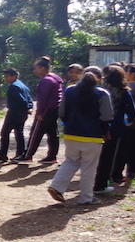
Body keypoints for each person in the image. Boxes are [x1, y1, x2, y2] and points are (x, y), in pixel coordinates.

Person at [47, 68, 113, 205]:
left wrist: (68, 125)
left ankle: (56, 186)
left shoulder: (70, 90)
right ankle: (86, 198)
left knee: (70, 161)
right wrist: (105, 131)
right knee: (89, 167)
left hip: (71, 134)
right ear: (99, 79)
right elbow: (107, 117)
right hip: (93, 136)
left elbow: (62, 112)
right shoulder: (102, 94)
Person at [93, 64, 135, 193]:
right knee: (107, 157)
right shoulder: (124, 91)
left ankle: (87, 184)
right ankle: (100, 185)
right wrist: (129, 122)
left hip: (97, 126)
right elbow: (132, 111)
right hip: (114, 129)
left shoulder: (99, 90)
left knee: (93, 157)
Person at [14, 56, 62, 163]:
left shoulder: (46, 81)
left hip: (46, 111)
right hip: (55, 110)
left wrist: (40, 113)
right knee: (53, 133)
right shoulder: (55, 78)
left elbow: (43, 99)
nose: (34, 71)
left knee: (36, 132)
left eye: (36, 68)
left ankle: (28, 155)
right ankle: (52, 156)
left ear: (42, 68)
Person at [0, 69, 33, 163]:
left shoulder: (13, 87)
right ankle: (20, 154)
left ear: (14, 76)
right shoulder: (23, 85)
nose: (6, 78)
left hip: (14, 113)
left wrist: (26, 107)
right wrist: (29, 108)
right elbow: (29, 99)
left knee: (5, 133)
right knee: (19, 133)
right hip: (22, 114)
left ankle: (3, 155)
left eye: (7, 76)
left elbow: (22, 100)